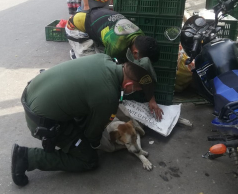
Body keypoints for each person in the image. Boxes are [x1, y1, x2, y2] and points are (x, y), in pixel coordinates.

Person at [11, 50, 157, 186]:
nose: (136, 91)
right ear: (129, 84)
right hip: (41, 120)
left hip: (32, 92)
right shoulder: (108, 97)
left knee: (85, 114)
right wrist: (100, 143)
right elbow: (92, 135)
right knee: (88, 159)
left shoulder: (104, 58)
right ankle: (26, 157)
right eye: (138, 89)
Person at [66, 8, 160, 64]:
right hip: (75, 27)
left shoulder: (140, 34)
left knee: (101, 53)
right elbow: (107, 64)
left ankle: (80, 49)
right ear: (135, 53)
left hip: (94, 19)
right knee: (92, 64)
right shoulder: (116, 44)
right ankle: (76, 54)